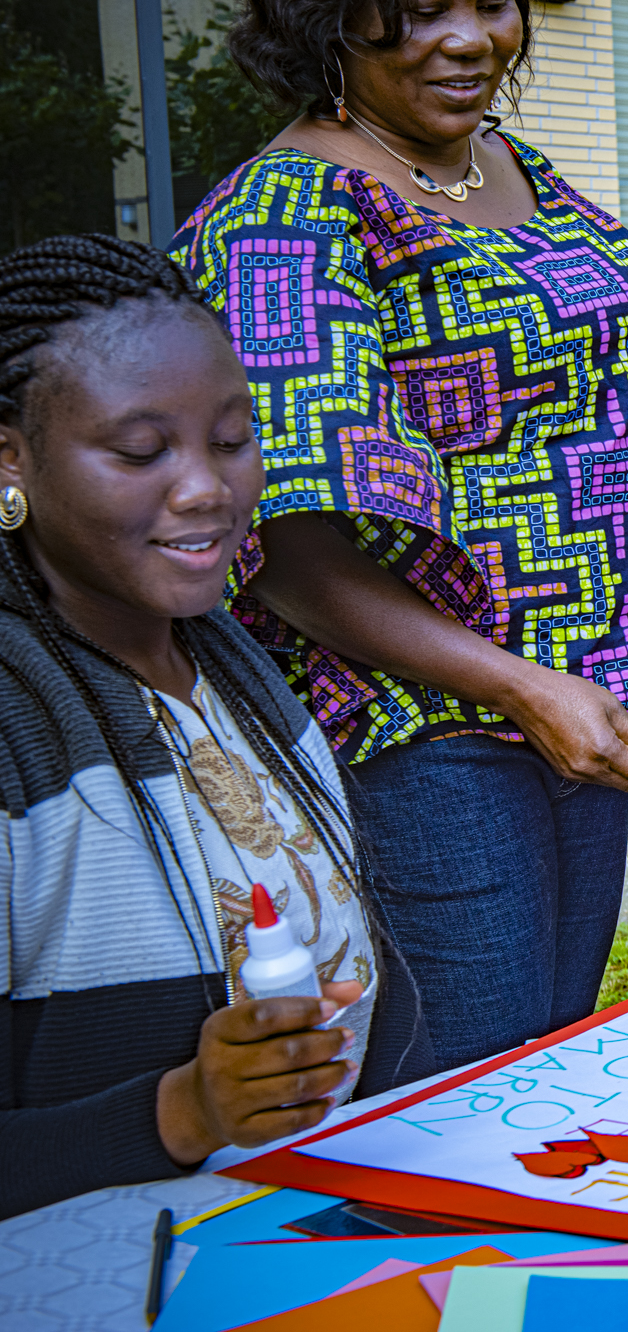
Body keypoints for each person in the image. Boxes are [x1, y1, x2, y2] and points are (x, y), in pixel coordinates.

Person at [171, 0, 628, 1072]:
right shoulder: (287, 215)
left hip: (575, 707)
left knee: (550, 1064)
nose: (471, 39)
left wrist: (569, 686)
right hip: (422, 738)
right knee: (459, 1097)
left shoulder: (513, 167)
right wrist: (521, 688)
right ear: (328, 12)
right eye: (424, 7)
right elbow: (292, 545)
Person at [0, 235, 429, 1219]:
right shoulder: (17, 729)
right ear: (9, 457)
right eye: (141, 450)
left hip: (309, 1237)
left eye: (232, 438)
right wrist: (181, 1110)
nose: (206, 488)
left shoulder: (233, 664)